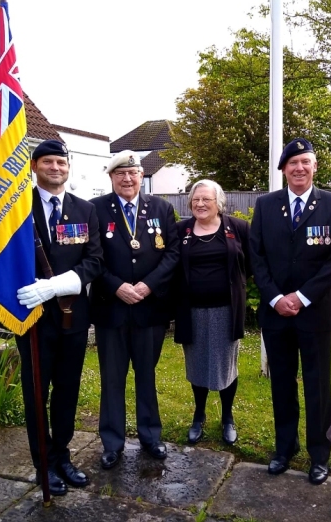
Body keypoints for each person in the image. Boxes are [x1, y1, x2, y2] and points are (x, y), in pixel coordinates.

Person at [249, 138, 331, 485]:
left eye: (305, 162)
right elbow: (257, 257)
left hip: (314, 314)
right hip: (276, 313)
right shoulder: (266, 205)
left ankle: (319, 455)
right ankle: (284, 447)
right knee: (281, 383)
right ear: (283, 170)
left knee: (317, 386)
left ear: (314, 166)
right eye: (292, 163)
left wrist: (302, 297)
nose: (299, 168)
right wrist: (277, 298)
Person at [15, 139, 104, 496]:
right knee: (36, 392)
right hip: (32, 317)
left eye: (61, 162)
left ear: (68, 168)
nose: (56, 168)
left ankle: (63, 454)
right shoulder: (18, 208)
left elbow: (94, 260)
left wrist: (54, 286)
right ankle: (43, 464)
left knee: (67, 389)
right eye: (48, 162)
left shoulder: (85, 210)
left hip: (72, 317)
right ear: (35, 166)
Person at [89, 150, 180, 469]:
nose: (127, 179)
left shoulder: (162, 208)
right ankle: (112, 442)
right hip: (110, 309)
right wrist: (116, 286)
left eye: (133, 173)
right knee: (111, 378)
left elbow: (172, 254)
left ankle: (150, 436)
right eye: (120, 174)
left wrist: (147, 285)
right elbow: (91, 256)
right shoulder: (95, 209)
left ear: (142, 176)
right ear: (111, 178)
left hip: (149, 309)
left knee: (146, 374)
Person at [172, 179, 252, 446]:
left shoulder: (238, 228)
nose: (200, 204)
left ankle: (227, 417)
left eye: (206, 199)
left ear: (219, 203)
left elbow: (250, 264)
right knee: (196, 365)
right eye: (196, 199)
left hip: (226, 312)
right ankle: (199, 414)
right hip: (191, 311)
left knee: (226, 367)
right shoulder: (180, 230)